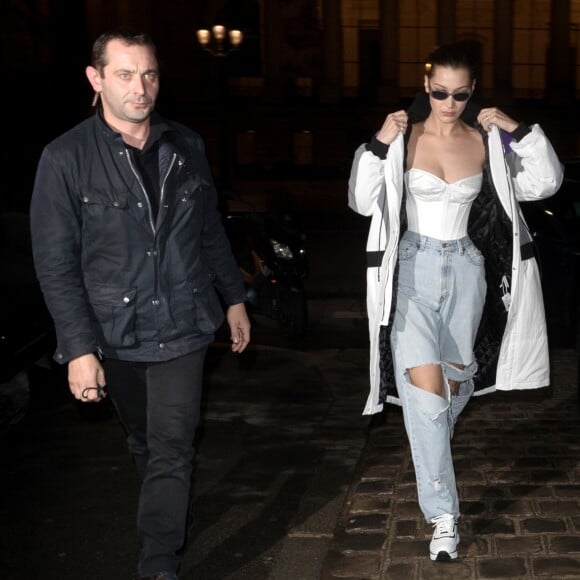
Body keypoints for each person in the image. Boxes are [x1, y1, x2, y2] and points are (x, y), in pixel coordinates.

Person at [30, 28, 251, 580]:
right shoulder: (64, 158)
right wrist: (78, 350)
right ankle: (170, 511)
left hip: (184, 323)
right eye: (125, 74)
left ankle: (158, 560)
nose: (140, 87)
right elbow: (56, 266)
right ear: (96, 78)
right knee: (146, 441)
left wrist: (235, 298)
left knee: (174, 444)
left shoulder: (187, 146)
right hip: (116, 330)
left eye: (149, 73)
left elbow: (209, 233)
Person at [348, 42, 563, 562]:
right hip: (413, 274)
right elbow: (360, 199)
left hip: (468, 273)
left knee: (455, 383)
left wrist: (516, 129)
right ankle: (444, 516)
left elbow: (545, 182)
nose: (448, 101)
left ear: (472, 93)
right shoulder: (404, 140)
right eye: (439, 91)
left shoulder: (485, 142)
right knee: (424, 397)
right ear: (426, 87)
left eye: (459, 93)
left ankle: (431, 436)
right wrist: (379, 141)